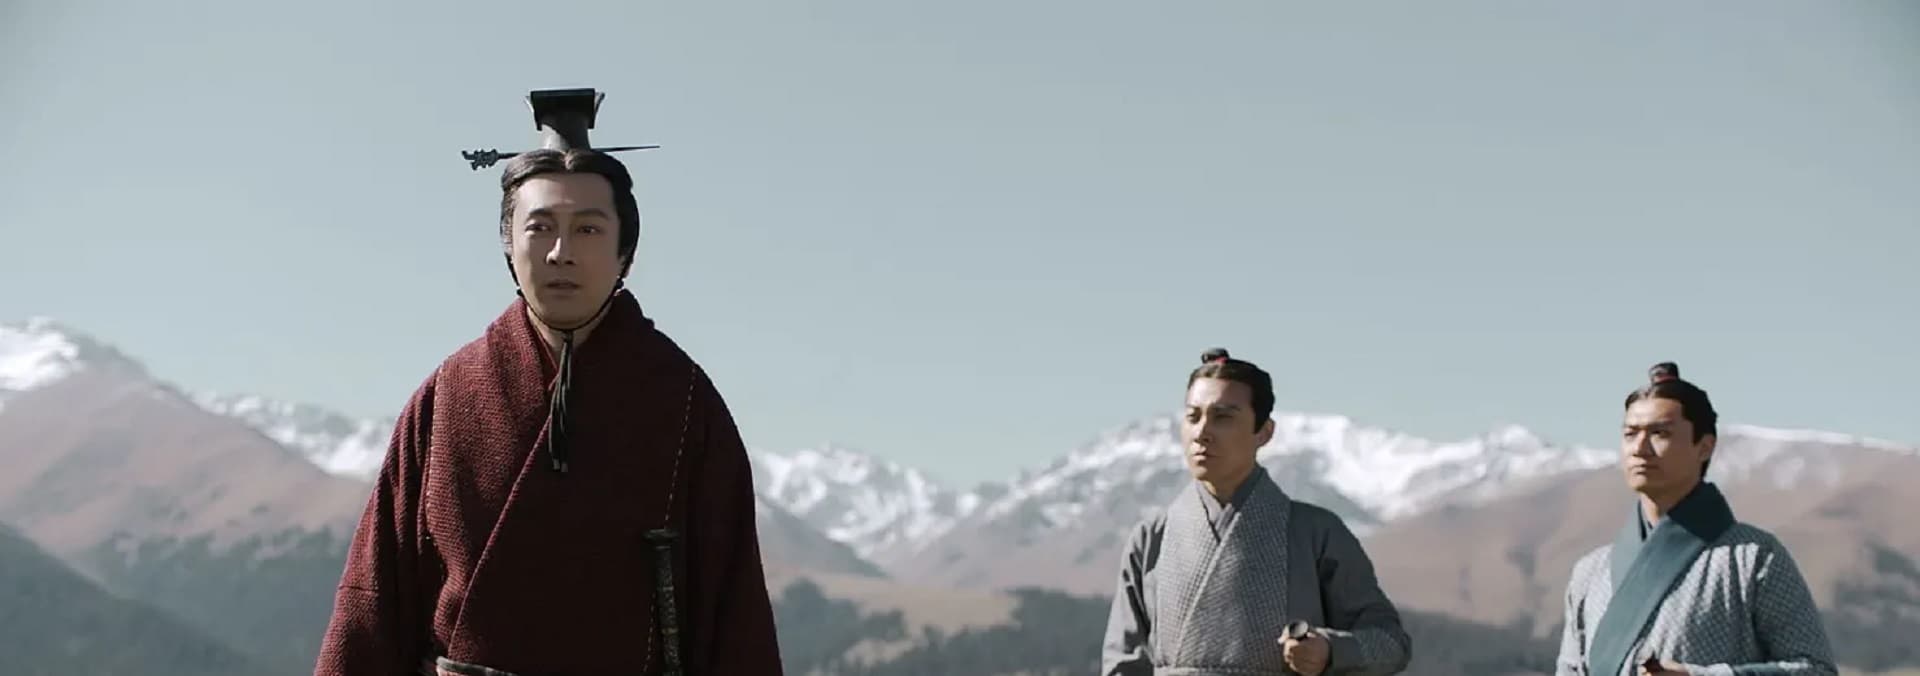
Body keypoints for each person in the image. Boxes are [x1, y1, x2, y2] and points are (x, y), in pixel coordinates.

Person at [313, 95, 783, 676]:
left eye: (588, 229)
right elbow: (374, 599)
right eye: (540, 228)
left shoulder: (684, 402)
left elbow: (735, 616)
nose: (562, 253)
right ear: (508, 243)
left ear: (626, 250)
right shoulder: (448, 396)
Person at [1101, 348, 1412, 676]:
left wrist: (1330, 650)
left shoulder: (1316, 533)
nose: (1202, 432)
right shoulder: (1151, 539)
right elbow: (1122, 665)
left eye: (1223, 417)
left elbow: (1391, 644)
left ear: (1264, 432)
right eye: (1193, 417)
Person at [1554, 362, 1836, 676]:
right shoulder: (1591, 572)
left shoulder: (1753, 558)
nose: (1640, 448)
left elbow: (1816, 670)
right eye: (1630, 434)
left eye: (1660, 433)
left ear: (1704, 447)